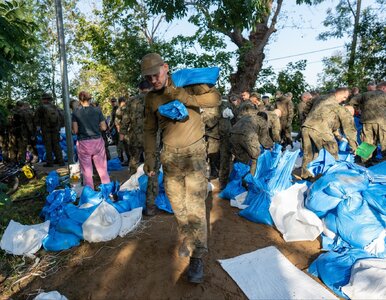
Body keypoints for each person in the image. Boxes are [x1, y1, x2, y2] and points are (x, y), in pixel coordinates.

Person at [142, 52, 221, 284]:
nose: (153, 81)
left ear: (165, 67)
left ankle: (198, 256)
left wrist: (184, 97)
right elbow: (149, 130)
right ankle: (187, 237)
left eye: (156, 75)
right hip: (169, 157)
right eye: (148, 78)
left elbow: (214, 100)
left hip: (194, 154)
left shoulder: (187, 82)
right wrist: (149, 157)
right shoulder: (151, 99)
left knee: (195, 205)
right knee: (177, 204)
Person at [301, 88, 358, 179]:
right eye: (345, 97)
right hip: (320, 130)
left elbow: (307, 108)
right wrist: (354, 146)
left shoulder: (320, 98)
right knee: (332, 151)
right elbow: (349, 130)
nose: (344, 99)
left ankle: (306, 175)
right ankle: (330, 176)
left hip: (306, 127)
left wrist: (308, 118)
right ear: (341, 95)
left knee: (309, 153)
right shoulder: (340, 109)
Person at [72, 91, 110, 189]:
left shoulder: (76, 112)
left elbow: (75, 130)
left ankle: (90, 194)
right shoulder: (97, 110)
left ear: (80, 100)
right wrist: (95, 127)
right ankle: (108, 192)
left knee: (87, 172)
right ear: (90, 99)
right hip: (97, 141)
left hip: (83, 143)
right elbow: (104, 127)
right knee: (102, 170)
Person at [349, 81, 386, 162]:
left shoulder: (364, 95)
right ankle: (384, 163)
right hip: (382, 122)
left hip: (366, 122)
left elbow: (352, 102)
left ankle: (365, 162)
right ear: (384, 88)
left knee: (367, 142)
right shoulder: (384, 95)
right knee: (384, 141)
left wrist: (358, 109)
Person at [34, 93, 64, 167]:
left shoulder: (41, 108)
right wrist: (59, 127)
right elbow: (61, 118)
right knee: (56, 145)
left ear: (44, 99)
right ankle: (60, 161)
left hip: (45, 129)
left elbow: (36, 119)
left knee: (48, 146)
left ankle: (50, 163)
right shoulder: (56, 107)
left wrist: (37, 128)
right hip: (56, 129)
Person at [115, 96, 130, 166]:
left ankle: (129, 160)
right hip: (133, 130)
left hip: (124, 131)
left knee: (126, 146)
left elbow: (117, 122)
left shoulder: (119, 110)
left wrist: (119, 132)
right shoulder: (130, 107)